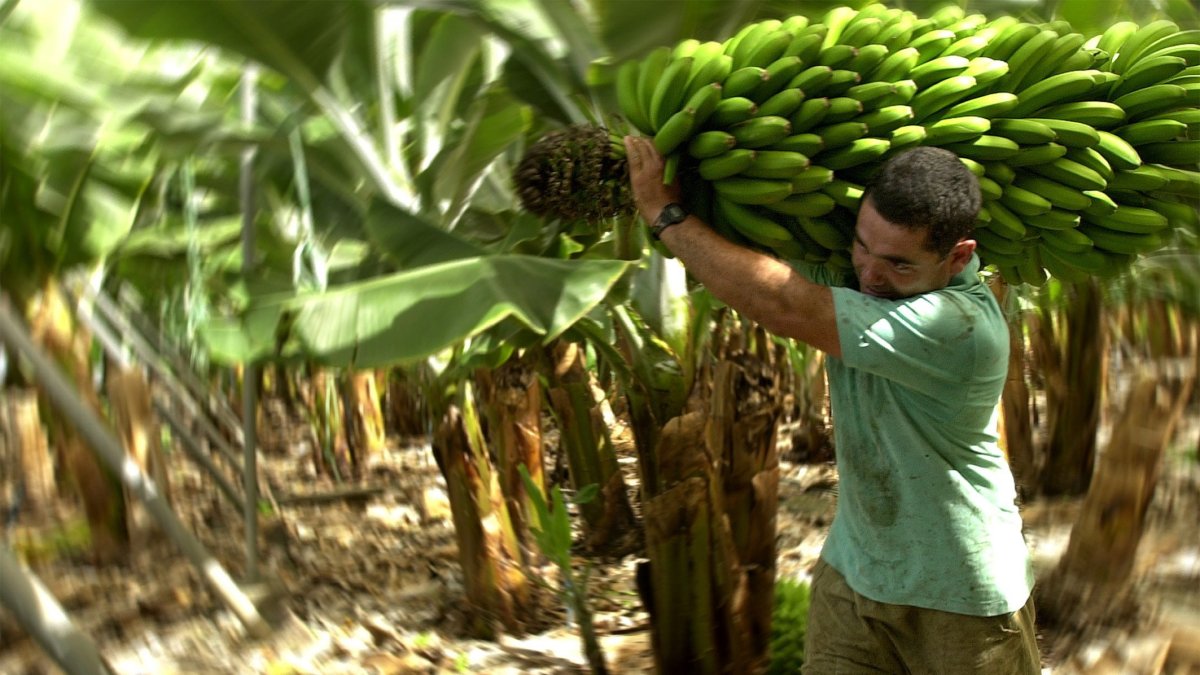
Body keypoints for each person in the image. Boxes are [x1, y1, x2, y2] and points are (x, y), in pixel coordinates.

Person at [624, 136, 1040, 674]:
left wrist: (664, 213)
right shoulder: (863, 277)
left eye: (898, 264)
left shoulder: (960, 327)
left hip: (961, 591)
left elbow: (784, 302)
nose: (869, 274)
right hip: (855, 573)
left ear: (958, 255)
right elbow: (759, 256)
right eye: (862, 245)